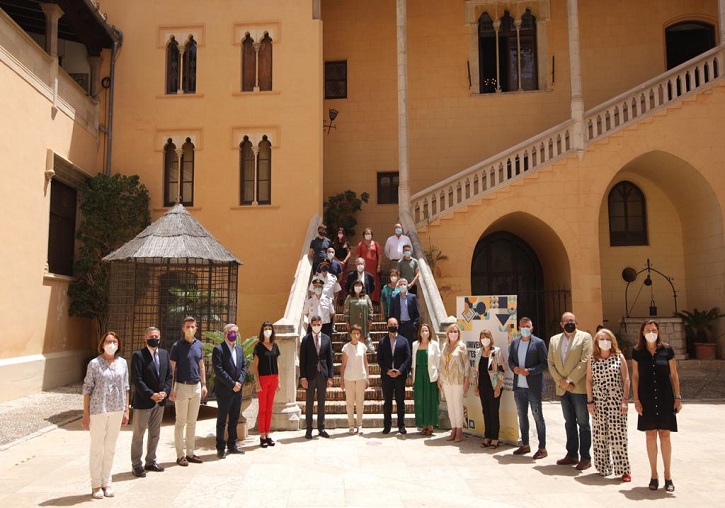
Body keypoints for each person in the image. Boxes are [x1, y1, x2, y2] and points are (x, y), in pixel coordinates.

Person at [632, 319, 682, 492]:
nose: (651, 332)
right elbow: (635, 376)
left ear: (658, 331)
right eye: (648, 329)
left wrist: (678, 397)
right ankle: (654, 475)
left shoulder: (667, 350)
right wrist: (636, 399)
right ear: (642, 332)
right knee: (650, 436)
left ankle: (668, 476)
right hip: (646, 397)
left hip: (665, 397)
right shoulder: (637, 351)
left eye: (654, 329)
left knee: (665, 436)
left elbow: (674, 375)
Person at [82, 332, 130, 499]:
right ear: (102, 344)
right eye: (108, 341)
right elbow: (87, 389)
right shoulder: (94, 364)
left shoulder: (122, 363)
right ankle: (96, 484)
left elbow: (126, 386)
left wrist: (126, 410)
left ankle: (106, 482)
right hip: (98, 410)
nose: (111, 344)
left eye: (114, 341)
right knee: (97, 448)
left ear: (119, 344)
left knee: (110, 447)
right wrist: (85, 414)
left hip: (117, 409)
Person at [548, 312, 593, 471]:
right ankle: (572, 454)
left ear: (577, 322)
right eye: (566, 321)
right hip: (562, 388)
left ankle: (585, 457)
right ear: (561, 324)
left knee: (583, 423)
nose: (569, 323)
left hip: (578, 387)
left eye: (572, 321)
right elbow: (551, 363)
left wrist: (570, 380)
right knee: (569, 423)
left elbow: (585, 361)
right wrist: (560, 381)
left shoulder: (585, 337)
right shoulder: (554, 340)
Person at [586, 328, 631, 482]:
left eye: (607, 339)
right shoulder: (592, 358)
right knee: (599, 434)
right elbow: (589, 380)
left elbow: (626, 379)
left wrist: (625, 400)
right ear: (597, 343)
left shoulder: (619, 357)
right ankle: (603, 466)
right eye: (601, 339)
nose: (604, 342)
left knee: (618, 434)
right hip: (598, 400)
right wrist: (590, 401)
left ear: (612, 341)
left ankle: (623, 469)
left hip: (615, 399)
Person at [130, 327, 172, 478]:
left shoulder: (164, 354)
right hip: (143, 402)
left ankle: (151, 461)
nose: (154, 338)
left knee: (155, 434)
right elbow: (137, 379)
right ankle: (136, 465)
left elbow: (169, 376)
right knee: (138, 435)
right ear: (145, 338)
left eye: (156, 336)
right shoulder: (138, 355)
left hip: (159, 402)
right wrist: (151, 394)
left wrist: (165, 392)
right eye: (151, 336)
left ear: (160, 338)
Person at [169, 316, 208, 467]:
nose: (190, 329)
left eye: (193, 326)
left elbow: (202, 365)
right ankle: (180, 455)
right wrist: (171, 388)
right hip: (182, 387)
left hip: (196, 386)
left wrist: (203, 384)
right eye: (187, 326)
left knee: (192, 422)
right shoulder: (177, 346)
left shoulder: (199, 345)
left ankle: (190, 453)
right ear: (183, 328)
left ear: (196, 328)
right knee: (181, 422)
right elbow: (172, 369)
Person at [508, 317, 548, 458]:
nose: (525, 328)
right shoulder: (515, 343)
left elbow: (544, 364)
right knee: (522, 416)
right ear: (519, 328)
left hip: (533, 387)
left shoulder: (538, 343)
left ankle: (542, 448)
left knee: (538, 417)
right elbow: (510, 360)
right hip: (519, 387)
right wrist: (514, 368)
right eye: (522, 326)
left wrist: (530, 371)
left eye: (528, 326)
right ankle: (525, 445)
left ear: (532, 328)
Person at [212, 323, 247, 459]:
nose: (234, 334)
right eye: (231, 332)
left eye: (236, 332)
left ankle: (232, 445)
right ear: (225, 333)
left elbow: (244, 366)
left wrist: (240, 382)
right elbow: (218, 370)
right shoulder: (218, 349)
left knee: (234, 418)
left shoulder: (239, 349)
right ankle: (220, 447)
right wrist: (232, 384)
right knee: (222, 420)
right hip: (225, 390)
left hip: (237, 390)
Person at [299, 315, 334, 439]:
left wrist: (330, 376)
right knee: (309, 403)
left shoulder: (327, 339)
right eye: (314, 324)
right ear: (310, 324)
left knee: (321, 402)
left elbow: (330, 358)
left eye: (318, 324)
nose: (316, 326)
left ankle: (321, 427)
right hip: (310, 375)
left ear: (322, 324)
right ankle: (309, 429)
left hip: (322, 374)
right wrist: (302, 377)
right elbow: (302, 360)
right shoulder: (306, 339)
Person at [378, 316, 412, 434]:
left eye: (395, 324)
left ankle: (401, 425)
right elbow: (380, 359)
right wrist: (387, 370)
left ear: (398, 326)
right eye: (390, 324)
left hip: (400, 376)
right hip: (387, 376)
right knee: (387, 402)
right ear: (387, 326)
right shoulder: (382, 341)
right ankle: (387, 426)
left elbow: (408, 358)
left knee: (400, 401)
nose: (393, 326)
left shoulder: (404, 341)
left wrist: (400, 370)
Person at [438, 323, 470, 443]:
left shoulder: (461, 346)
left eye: (455, 331)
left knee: (457, 405)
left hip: (458, 380)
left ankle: (459, 430)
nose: (453, 333)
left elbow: (467, 365)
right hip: (446, 380)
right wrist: (440, 379)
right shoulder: (444, 346)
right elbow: (440, 364)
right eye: (451, 331)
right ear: (447, 334)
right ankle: (453, 429)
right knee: (450, 406)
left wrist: (466, 381)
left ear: (459, 333)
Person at [473, 330, 505, 449]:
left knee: (493, 412)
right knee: (485, 411)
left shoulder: (496, 352)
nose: (484, 339)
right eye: (482, 337)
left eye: (486, 336)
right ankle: (487, 437)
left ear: (490, 338)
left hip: (494, 386)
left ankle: (495, 438)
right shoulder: (478, 352)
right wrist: (475, 386)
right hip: (482, 386)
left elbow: (501, 371)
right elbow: (475, 371)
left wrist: (497, 388)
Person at [253, 321, 281, 448]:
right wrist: (257, 383)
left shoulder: (275, 346)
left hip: (273, 378)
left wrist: (278, 381)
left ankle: (268, 434)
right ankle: (262, 435)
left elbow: (277, 364)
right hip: (263, 379)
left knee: (269, 409)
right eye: (266, 328)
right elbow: (255, 367)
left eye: (270, 328)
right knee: (262, 408)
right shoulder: (258, 347)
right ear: (262, 330)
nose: (268, 330)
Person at [340, 324, 370, 434]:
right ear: (350, 334)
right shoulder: (346, 348)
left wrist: (367, 377)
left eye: (358, 333)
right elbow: (343, 365)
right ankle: (351, 425)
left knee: (360, 403)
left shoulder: (363, 347)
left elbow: (366, 363)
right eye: (354, 333)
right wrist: (342, 380)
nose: (356, 335)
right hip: (349, 378)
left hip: (361, 377)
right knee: (349, 403)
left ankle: (359, 425)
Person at [412, 323, 440, 436]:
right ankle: (423, 424)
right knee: (420, 399)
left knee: (430, 399)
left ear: (430, 332)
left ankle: (430, 425)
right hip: (419, 374)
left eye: (426, 330)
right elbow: (413, 363)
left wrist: (439, 377)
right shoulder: (415, 344)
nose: (424, 332)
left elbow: (438, 362)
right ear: (419, 332)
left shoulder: (434, 344)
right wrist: (413, 378)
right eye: (422, 330)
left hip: (430, 375)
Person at [344, 280, 374, 352]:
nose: (358, 287)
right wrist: (347, 321)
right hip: (353, 320)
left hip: (364, 321)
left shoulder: (366, 297)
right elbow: (346, 310)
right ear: (353, 287)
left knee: (362, 337)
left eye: (359, 285)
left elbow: (370, 309)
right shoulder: (349, 297)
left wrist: (370, 320)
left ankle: (362, 354)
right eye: (356, 285)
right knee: (354, 337)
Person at [389, 278, 420, 347]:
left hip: (409, 325)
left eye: (404, 284)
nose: (403, 286)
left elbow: (416, 313)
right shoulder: (394, 298)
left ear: (407, 285)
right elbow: (391, 314)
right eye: (401, 284)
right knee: (398, 346)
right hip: (398, 326)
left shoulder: (412, 297)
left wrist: (414, 326)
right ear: (398, 286)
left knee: (409, 347)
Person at [354, 227, 382, 302]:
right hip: (363, 267)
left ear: (372, 235)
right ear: (364, 235)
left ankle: (374, 300)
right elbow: (357, 256)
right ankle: (363, 297)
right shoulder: (360, 244)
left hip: (374, 267)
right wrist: (357, 265)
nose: (368, 235)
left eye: (369, 233)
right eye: (366, 233)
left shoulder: (376, 244)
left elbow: (379, 255)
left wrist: (379, 266)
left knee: (374, 282)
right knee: (363, 281)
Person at [333, 227, 352, 303]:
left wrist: (344, 261)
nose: (340, 234)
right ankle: (337, 300)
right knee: (338, 281)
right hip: (336, 263)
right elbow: (332, 253)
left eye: (341, 233)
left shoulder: (346, 243)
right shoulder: (334, 243)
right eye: (339, 233)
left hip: (344, 263)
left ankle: (344, 299)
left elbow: (349, 253)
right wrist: (338, 261)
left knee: (344, 281)